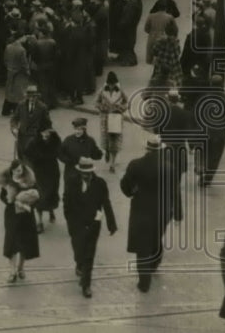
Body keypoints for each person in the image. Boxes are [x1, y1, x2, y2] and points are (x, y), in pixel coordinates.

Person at [120, 135, 173, 292]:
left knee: (142, 246)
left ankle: (144, 283)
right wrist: (176, 212)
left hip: (141, 210)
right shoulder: (168, 167)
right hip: (161, 211)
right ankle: (155, 264)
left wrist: (131, 192)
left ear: (147, 148)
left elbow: (125, 185)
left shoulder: (135, 165)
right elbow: (173, 192)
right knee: (156, 238)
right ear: (160, 150)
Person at [62, 157, 117, 298]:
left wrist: (111, 223)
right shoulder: (71, 182)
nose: (86, 176)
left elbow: (106, 203)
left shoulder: (100, 184)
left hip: (93, 223)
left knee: (89, 254)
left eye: (89, 173)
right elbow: (66, 201)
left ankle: (86, 284)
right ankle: (79, 263)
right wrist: (69, 219)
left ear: (92, 171)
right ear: (79, 171)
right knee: (79, 250)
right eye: (83, 173)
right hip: (76, 223)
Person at [0, 161, 39, 283]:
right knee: (12, 243)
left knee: (24, 243)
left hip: (26, 216)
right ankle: (12, 271)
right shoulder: (8, 183)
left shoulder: (30, 181)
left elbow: (37, 196)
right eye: (16, 170)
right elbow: (2, 196)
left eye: (20, 170)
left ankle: (21, 268)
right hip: (12, 216)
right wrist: (10, 201)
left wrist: (28, 201)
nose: (19, 172)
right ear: (12, 171)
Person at [95, 71, 128, 172]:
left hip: (116, 118)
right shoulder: (102, 91)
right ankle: (107, 151)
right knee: (106, 139)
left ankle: (112, 164)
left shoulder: (120, 91)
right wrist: (102, 107)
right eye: (110, 84)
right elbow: (96, 102)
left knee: (115, 140)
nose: (111, 86)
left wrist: (121, 108)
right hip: (105, 118)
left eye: (113, 84)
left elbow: (126, 102)